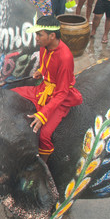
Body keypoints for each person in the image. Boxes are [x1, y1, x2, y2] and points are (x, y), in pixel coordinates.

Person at [11, 15, 82, 162]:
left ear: (52, 35)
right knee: (13, 93)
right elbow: (45, 64)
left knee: (44, 135)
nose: (36, 38)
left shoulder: (65, 57)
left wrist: (43, 115)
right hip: (43, 89)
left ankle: (44, 167)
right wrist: (41, 71)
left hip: (60, 98)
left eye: (39, 34)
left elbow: (62, 93)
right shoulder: (44, 47)